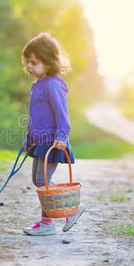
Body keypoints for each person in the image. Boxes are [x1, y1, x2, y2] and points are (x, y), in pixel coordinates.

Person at [21, 32, 84, 236]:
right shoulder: (38, 84)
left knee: (43, 181)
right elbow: (36, 118)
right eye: (27, 62)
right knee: (38, 180)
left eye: (34, 62)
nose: (29, 66)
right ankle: (53, 218)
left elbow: (62, 114)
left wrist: (62, 137)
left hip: (52, 141)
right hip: (39, 142)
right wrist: (28, 140)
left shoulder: (53, 85)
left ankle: (55, 218)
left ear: (48, 63)